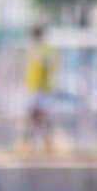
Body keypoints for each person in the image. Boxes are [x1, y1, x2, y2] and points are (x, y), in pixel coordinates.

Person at [23, 25, 56, 153]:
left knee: (39, 115)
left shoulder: (44, 49)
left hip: (40, 89)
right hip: (34, 88)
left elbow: (48, 63)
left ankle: (46, 141)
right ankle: (37, 142)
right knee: (35, 116)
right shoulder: (35, 49)